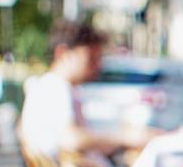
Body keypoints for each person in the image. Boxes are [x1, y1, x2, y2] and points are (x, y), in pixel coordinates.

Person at [19, 20, 151, 158]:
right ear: (63, 53)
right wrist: (125, 138)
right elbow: (71, 139)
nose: (98, 66)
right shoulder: (55, 88)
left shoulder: (50, 87)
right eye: (91, 58)